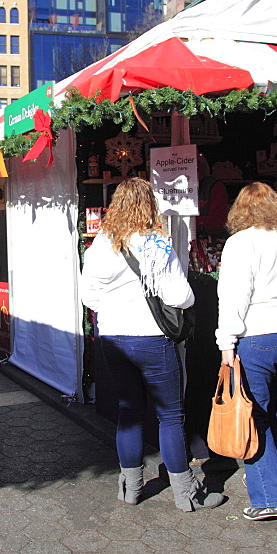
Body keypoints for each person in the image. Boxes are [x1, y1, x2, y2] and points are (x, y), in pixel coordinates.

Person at [80, 178, 223, 512]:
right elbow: (181, 297)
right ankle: (186, 495)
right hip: (152, 339)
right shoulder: (157, 243)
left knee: (129, 413)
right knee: (170, 416)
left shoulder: (100, 244)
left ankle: (131, 488)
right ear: (148, 206)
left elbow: (89, 297)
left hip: (114, 338)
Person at [215, 182, 277, 521]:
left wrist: (226, 342)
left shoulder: (240, 243)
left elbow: (233, 296)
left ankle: (271, 496)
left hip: (260, 333)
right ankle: (275, 478)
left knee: (254, 414)